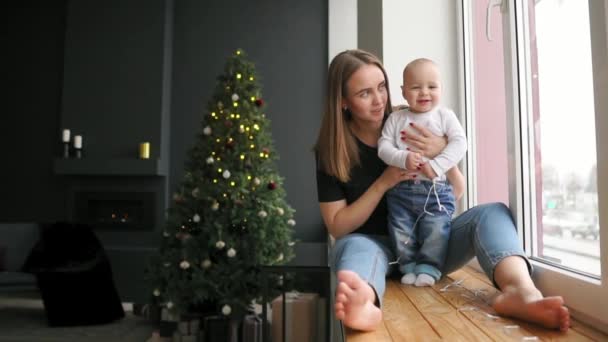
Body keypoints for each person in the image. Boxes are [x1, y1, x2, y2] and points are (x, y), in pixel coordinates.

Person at [314, 49, 570, 332]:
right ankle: (366, 302)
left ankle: (521, 292)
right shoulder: (332, 152)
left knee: (492, 213)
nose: (379, 100)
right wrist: (384, 182)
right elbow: (338, 226)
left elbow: (456, 191)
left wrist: (441, 154)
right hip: (377, 250)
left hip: (431, 246)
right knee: (351, 244)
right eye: (364, 93)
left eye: (382, 87)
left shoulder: (411, 119)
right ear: (343, 102)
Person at [378, 58, 466, 287]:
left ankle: (429, 266)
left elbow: (460, 145)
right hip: (401, 190)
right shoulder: (396, 119)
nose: (424, 92)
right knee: (400, 228)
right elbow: (384, 147)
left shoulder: (444, 116)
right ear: (404, 91)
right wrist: (403, 158)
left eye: (432, 87)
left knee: (436, 229)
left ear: (441, 89)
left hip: (436, 189)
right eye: (416, 87)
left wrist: (436, 166)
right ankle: (407, 265)